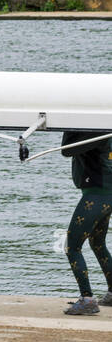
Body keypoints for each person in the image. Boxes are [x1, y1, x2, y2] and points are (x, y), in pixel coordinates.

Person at [57, 131, 112, 315]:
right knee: (97, 243)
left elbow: (66, 150)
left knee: (72, 246)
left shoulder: (98, 132)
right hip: (105, 194)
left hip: (96, 195)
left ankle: (87, 299)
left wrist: (66, 124)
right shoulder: (102, 127)